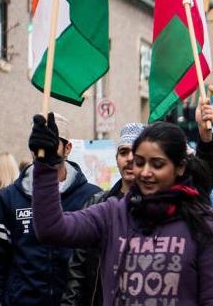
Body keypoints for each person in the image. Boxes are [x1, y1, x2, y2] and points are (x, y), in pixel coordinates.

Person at [30, 117, 213, 305]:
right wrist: (48, 166)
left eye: (157, 164)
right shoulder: (111, 213)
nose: (145, 172)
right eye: (140, 162)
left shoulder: (201, 225)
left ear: (179, 167)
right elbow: (51, 228)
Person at [0, 121, 101, 305]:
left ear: (68, 148)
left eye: (52, 141)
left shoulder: (93, 197)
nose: (43, 147)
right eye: (38, 142)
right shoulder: (8, 198)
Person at [60, 122, 146, 306]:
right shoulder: (97, 204)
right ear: (116, 159)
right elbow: (77, 268)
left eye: (136, 152)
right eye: (123, 152)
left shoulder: (160, 207)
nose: (129, 159)